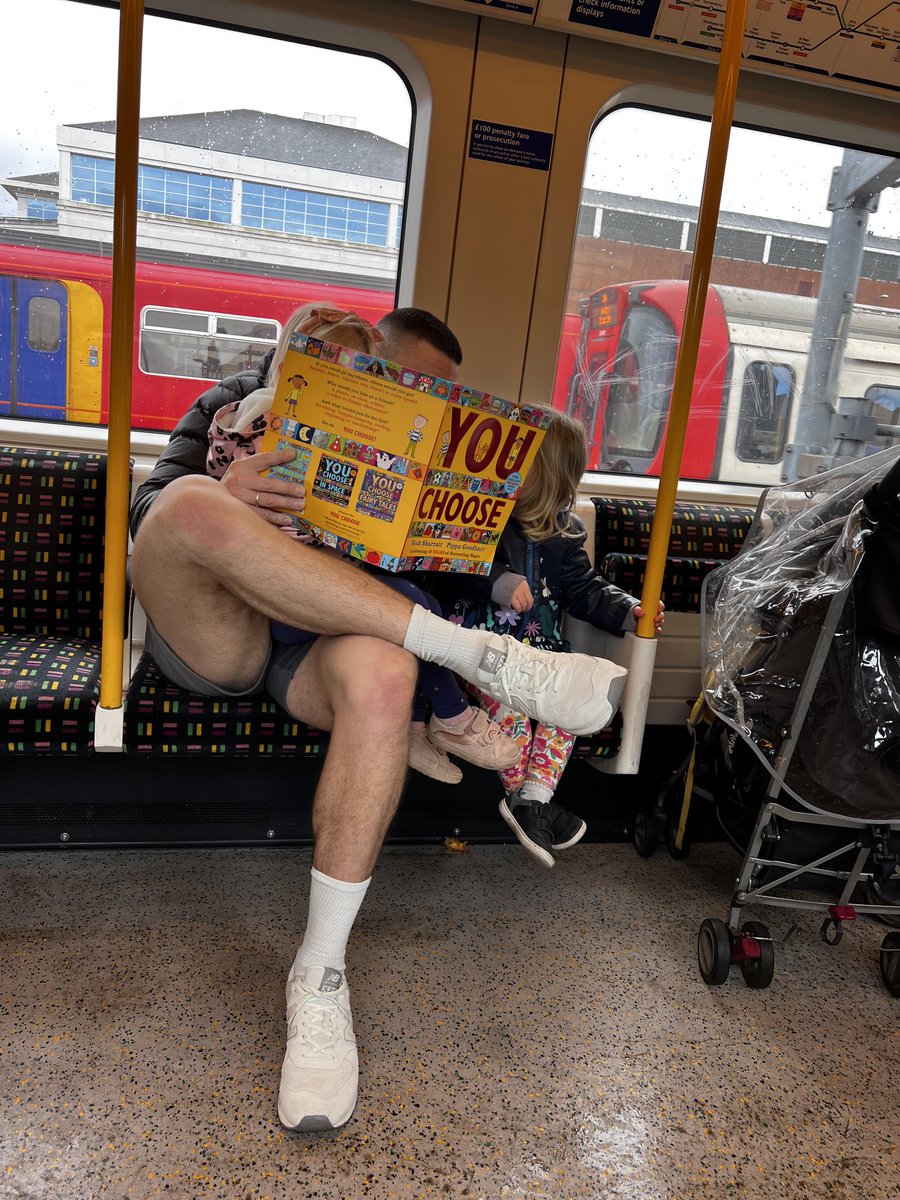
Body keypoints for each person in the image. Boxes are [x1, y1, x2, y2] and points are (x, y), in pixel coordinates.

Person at [128, 306, 628, 1134]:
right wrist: (229, 490)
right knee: (187, 504)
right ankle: (480, 658)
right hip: (218, 625)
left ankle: (319, 975)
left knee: (390, 670)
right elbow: (147, 516)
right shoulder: (235, 401)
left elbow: (427, 565)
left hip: (318, 633)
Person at [204, 303, 519, 783]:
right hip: (285, 602)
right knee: (412, 605)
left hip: (338, 588)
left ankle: (416, 728)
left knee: (420, 599)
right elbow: (192, 496)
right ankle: (454, 718)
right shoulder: (261, 414)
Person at [436, 408, 665, 868]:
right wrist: (497, 579)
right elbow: (449, 569)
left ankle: (533, 799)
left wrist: (627, 610)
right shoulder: (482, 520)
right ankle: (529, 801)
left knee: (567, 705)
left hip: (541, 656)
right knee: (517, 715)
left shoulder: (565, 531)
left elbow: (584, 589)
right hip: (482, 654)